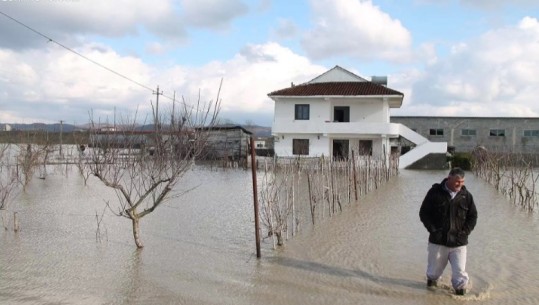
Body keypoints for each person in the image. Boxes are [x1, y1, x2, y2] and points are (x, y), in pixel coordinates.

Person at [419, 167, 478, 296]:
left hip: (459, 243)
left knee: (460, 274)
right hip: (438, 241)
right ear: (449, 178)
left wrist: (465, 232)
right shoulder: (435, 192)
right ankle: (430, 296)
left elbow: (473, 216)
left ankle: (460, 295)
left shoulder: (466, 196)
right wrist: (433, 230)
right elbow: (424, 213)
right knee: (433, 274)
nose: (460, 184)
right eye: (457, 181)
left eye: (462, 182)